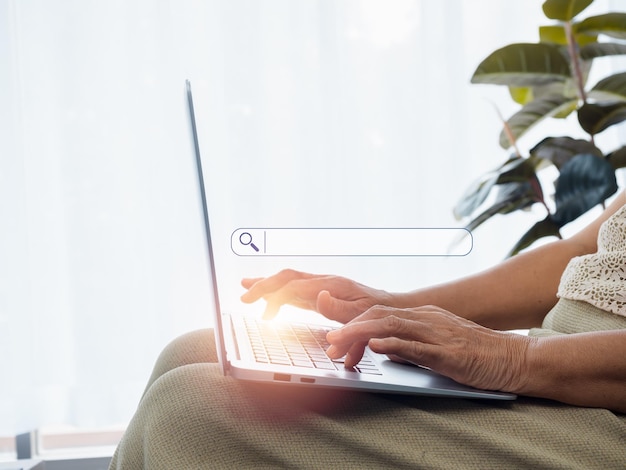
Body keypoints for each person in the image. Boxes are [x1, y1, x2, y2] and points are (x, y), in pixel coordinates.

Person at [109, 192, 626, 469]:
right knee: (191, 351)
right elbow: (581, 254)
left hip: (601, 404)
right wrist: (391, 307)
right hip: (556, 353)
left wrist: (514, 361)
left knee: (187, 412)